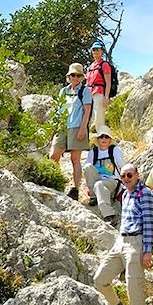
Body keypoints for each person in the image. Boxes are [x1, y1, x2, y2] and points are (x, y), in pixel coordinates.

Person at [93, 163, 153, 305]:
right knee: (100, 279)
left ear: (137, 175)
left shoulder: (145, 194)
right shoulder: (126, 194)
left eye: (129, 175)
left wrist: (147, 251)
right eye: (123, 176)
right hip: (121, 240)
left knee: (134, 287)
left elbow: (150, 223)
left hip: (136, 242)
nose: (126, 179)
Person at [51, 63, 92, 201]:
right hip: (62, 126)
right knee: (53, 155)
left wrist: (82, 129)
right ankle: (54, 182)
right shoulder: (63, 91)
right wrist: (55, 125)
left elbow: (87, 111)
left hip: (76, 127)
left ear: (81, 77)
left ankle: (75, 189)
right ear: (69, 76)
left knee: (75, 159)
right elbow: (59, 109)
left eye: (78, 75)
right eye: (73, 75)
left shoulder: (85, 91)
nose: (75, 77)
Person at [83, 125, 124, 224]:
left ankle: (109, 215)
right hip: (97, 182)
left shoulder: (115, 150)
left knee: (99, 184)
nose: (104, 139)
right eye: (101, 136)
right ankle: (94, 197)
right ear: (98, 139)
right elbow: (88, 170)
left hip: (112, 182)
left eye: (106, 137)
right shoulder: (93, 152)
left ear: (110, 139)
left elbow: (122, 167)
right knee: (88, 166)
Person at [86, 41, 113, 130]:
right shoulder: (90, 67)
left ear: (102, 51)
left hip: (99, 94)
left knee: (99, 119)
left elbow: (108, 82)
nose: (95, 51)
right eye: (93, 49)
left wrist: (106, 97)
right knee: (88, 118)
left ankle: (101, 140)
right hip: (89, 95)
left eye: (97, 49)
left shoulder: (104, 65)